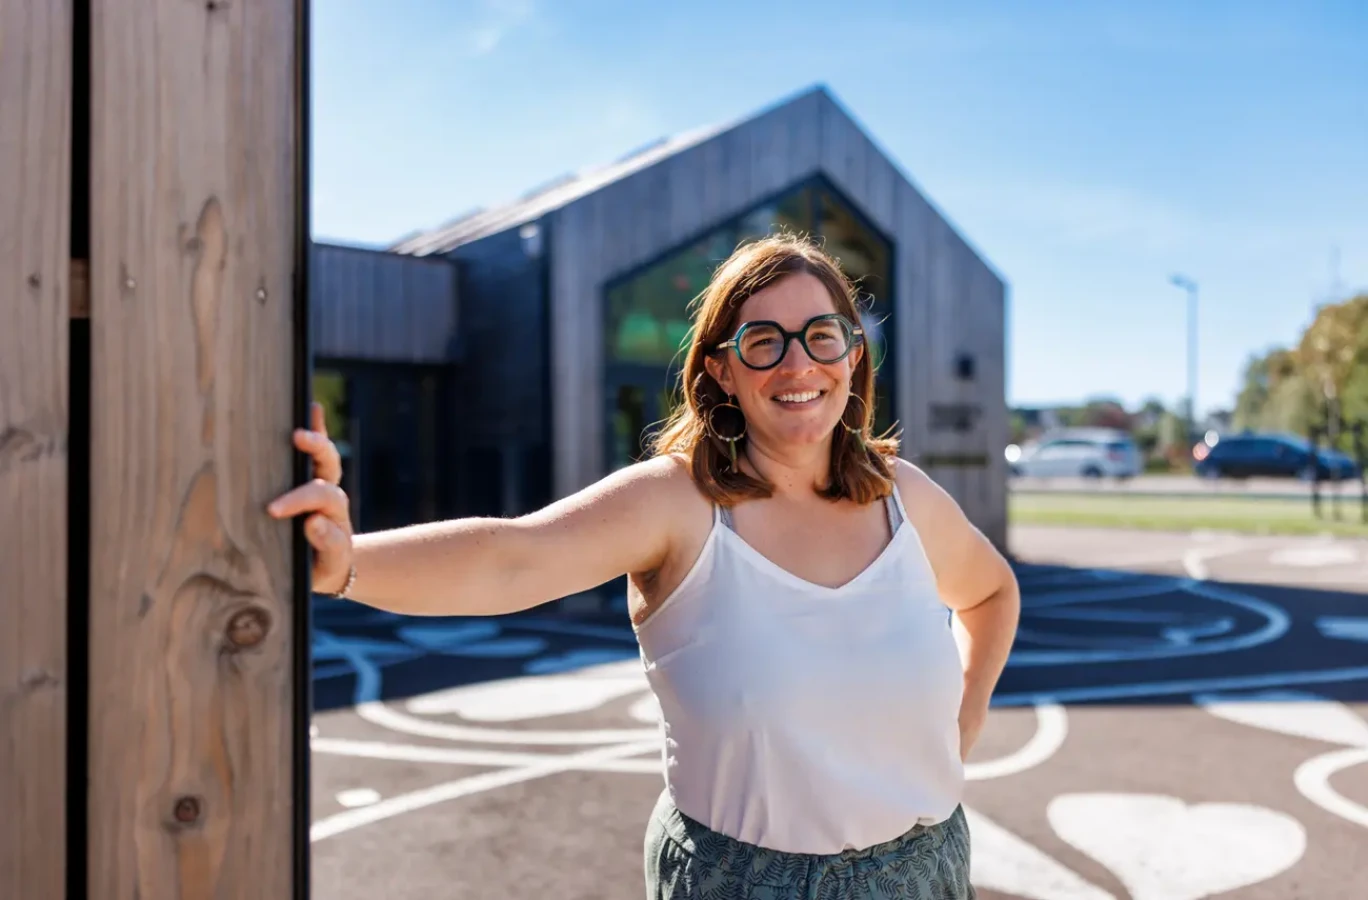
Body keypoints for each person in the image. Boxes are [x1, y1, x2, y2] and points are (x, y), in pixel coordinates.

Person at [270, 234, 1020, 899]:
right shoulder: (679, 500)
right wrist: (342, 563)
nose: (799, 363)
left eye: (822, 336)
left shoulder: (906, 496)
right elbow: (511, 558)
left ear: (853, 356)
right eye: (764, 340)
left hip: (925, 870)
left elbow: (991, 592)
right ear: (723, 372)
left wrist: (966, 716)